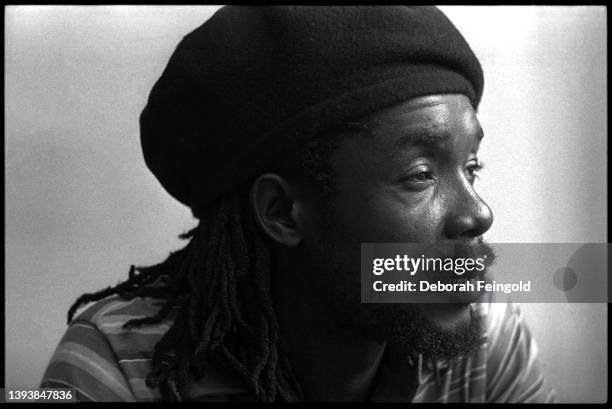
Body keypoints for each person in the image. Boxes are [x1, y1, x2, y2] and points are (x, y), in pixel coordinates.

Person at [40, 6, 557, 402]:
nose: (478, 214)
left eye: (471, 168)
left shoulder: (484, 334)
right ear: (283, 212)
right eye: (420, 175)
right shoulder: (114, 369)